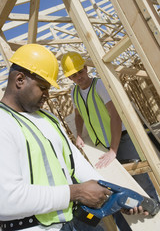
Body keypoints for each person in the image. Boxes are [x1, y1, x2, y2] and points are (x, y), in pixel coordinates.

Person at [0, 44, 147, 231]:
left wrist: (111, 195)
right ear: (20, 80)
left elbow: (74, 161)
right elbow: (6, 199)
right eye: (43, 87)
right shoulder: (3, 122)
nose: (47, 95)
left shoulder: (48, 118)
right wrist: (77, 192)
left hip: (73, 220)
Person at [61, 51, 159, 230]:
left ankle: (155, 210)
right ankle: (128, 222)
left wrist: (113, 150)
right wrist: (80, 135)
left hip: (122, 140)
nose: (78, 77)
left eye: (80, 72)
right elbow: (78, 115)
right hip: (102, 146)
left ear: (86, 68)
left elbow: (115, 116)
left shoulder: (99, 86)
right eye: (73, 75)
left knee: (140, 179)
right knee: (116, 186)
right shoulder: (74, 92)